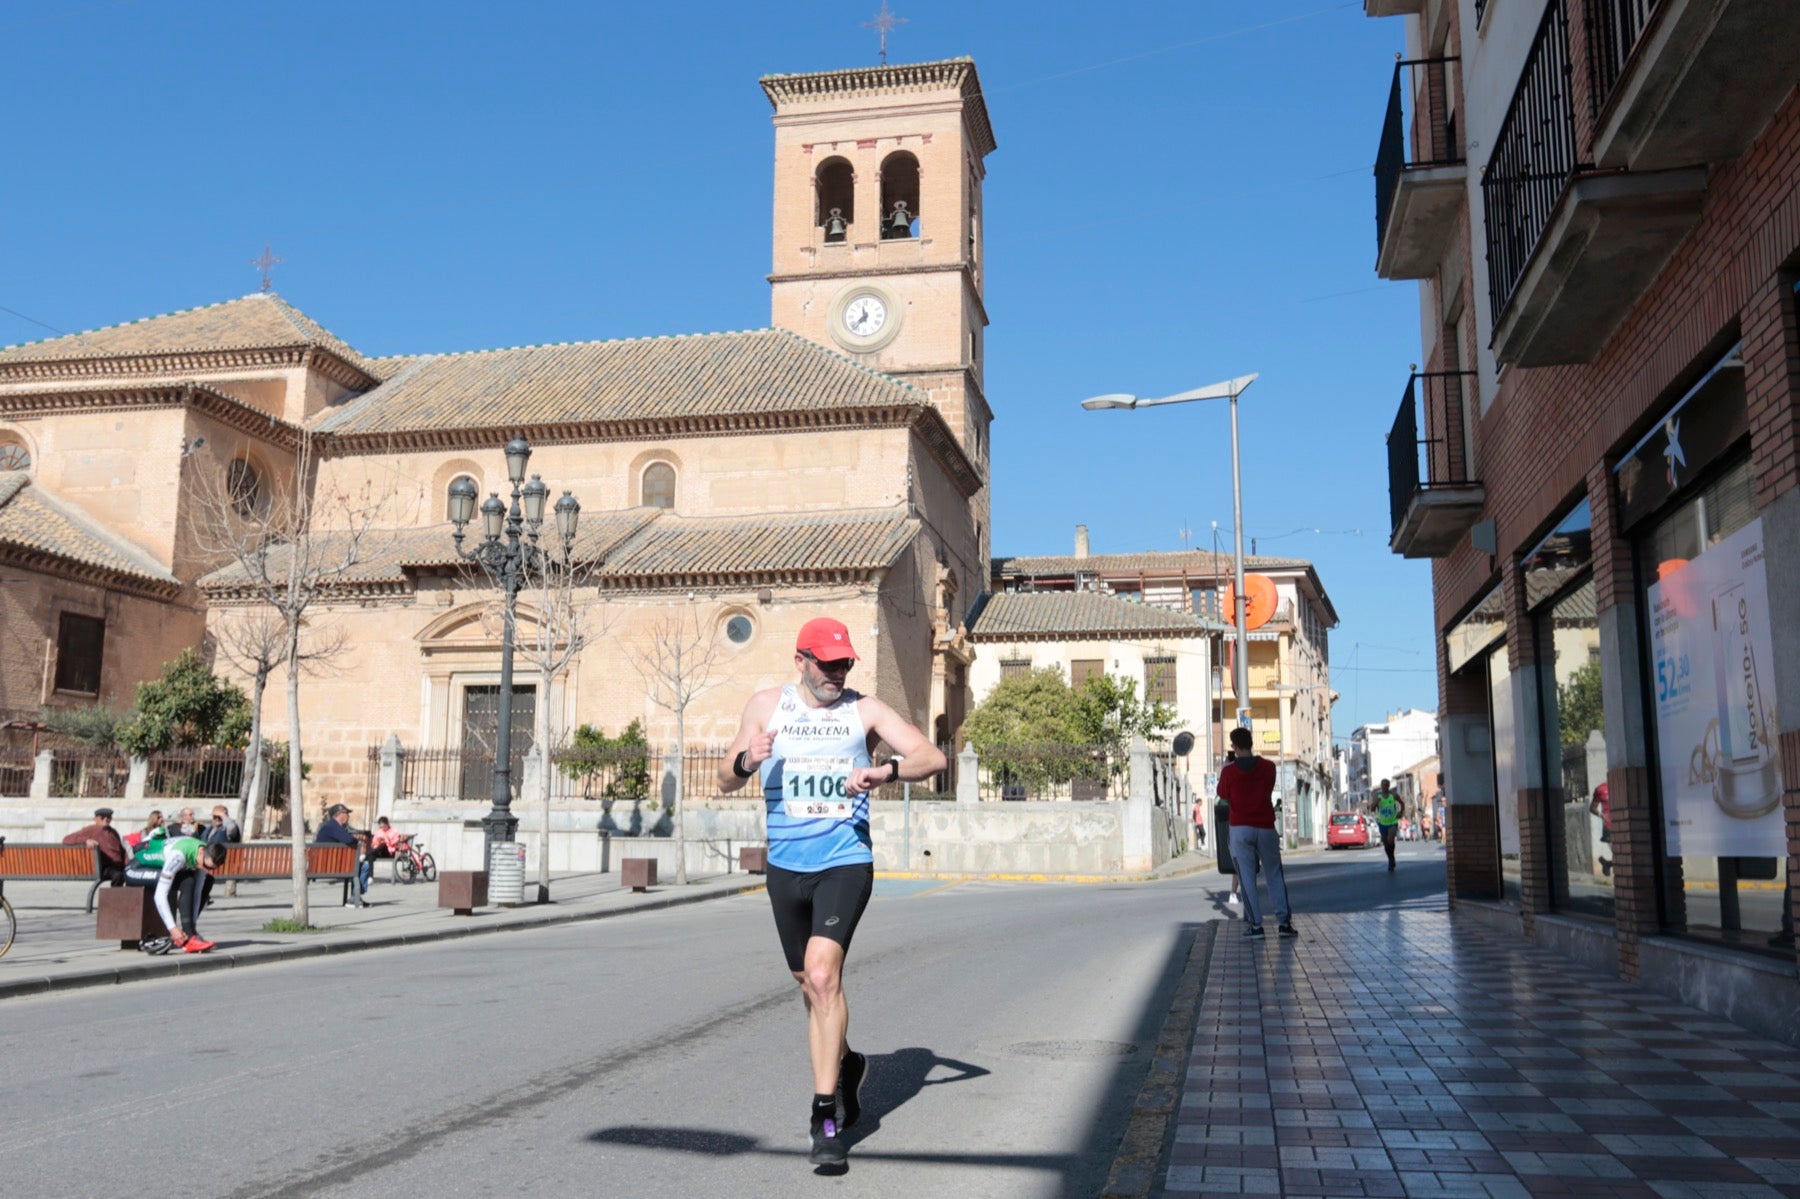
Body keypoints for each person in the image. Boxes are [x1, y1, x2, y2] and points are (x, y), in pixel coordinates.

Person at [717, 617, 945, 1167]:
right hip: (785, 866)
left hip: (845, 860)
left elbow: (931, 758)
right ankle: (847, 1064)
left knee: (823, 976)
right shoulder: (767, 705)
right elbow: (725, 777)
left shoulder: (864, 710)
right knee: (808, 983)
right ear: (801, 661)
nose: (837, 673)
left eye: (844, 664)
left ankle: (825, 1118)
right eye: (827, 664)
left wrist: (884, 771)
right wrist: (749, 758)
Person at [1217, 727, 1295, 939]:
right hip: (1266, 827)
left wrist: (1228, 766)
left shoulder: (1229, 771)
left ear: (1234, 746)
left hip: (1240, 828)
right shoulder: (1269, 767)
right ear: (1251, 743)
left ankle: (1256, 926)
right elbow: (1268, 788)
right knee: (1274, 874)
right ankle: (1284, 923)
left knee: (1247, 878)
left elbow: (1223, 794)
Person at [124, 833, 225, 953]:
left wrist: (192, 928)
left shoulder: (204, 854)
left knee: (208, 881)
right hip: (135, 869)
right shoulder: (178, 856)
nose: (205, 869)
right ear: (202, 852)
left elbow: (197, 893)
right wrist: (172, 929)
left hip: (157, 866)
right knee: (187, 881)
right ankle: (189, 938)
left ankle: (190, 935)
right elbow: (160, 895)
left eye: (211, 868)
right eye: (204, 865)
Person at [314, 804, 372, 902]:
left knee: (360, 866)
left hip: (326, 864)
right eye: (346, 813)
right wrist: (356, 840)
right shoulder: (333, 826)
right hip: (330, 866)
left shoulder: (330, 826)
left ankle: (356, 897)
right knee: (364, 867)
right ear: (339, 814)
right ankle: (355, 897)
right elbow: (348, 839)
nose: (348, 816)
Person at [61, 806, 127, 884]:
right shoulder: (91, 829)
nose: (106, 819)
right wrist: (86, 840)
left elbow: (122, 851)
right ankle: (115, 895)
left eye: (109, 817)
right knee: (118, 875)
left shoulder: (113, 832)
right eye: (102, 817)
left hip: (118, 866)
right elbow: (67, 839)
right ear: (95, 819)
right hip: (105, 867)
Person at [1370, 779, 1404, 871]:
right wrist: (1376, 802)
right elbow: (1372, 809)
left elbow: (1402, 803)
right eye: (1383, 785)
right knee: (1385, 844)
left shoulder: (1393, 795)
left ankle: (1391, 858)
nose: (1384, 786)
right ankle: (1390, 858)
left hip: (1393, 821)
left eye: (1386, 785)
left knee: (1391, 840)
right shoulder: (1377, 796)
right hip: (1382, 823)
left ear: (1388, 786)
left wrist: (1401, 812)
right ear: (1381, 786)